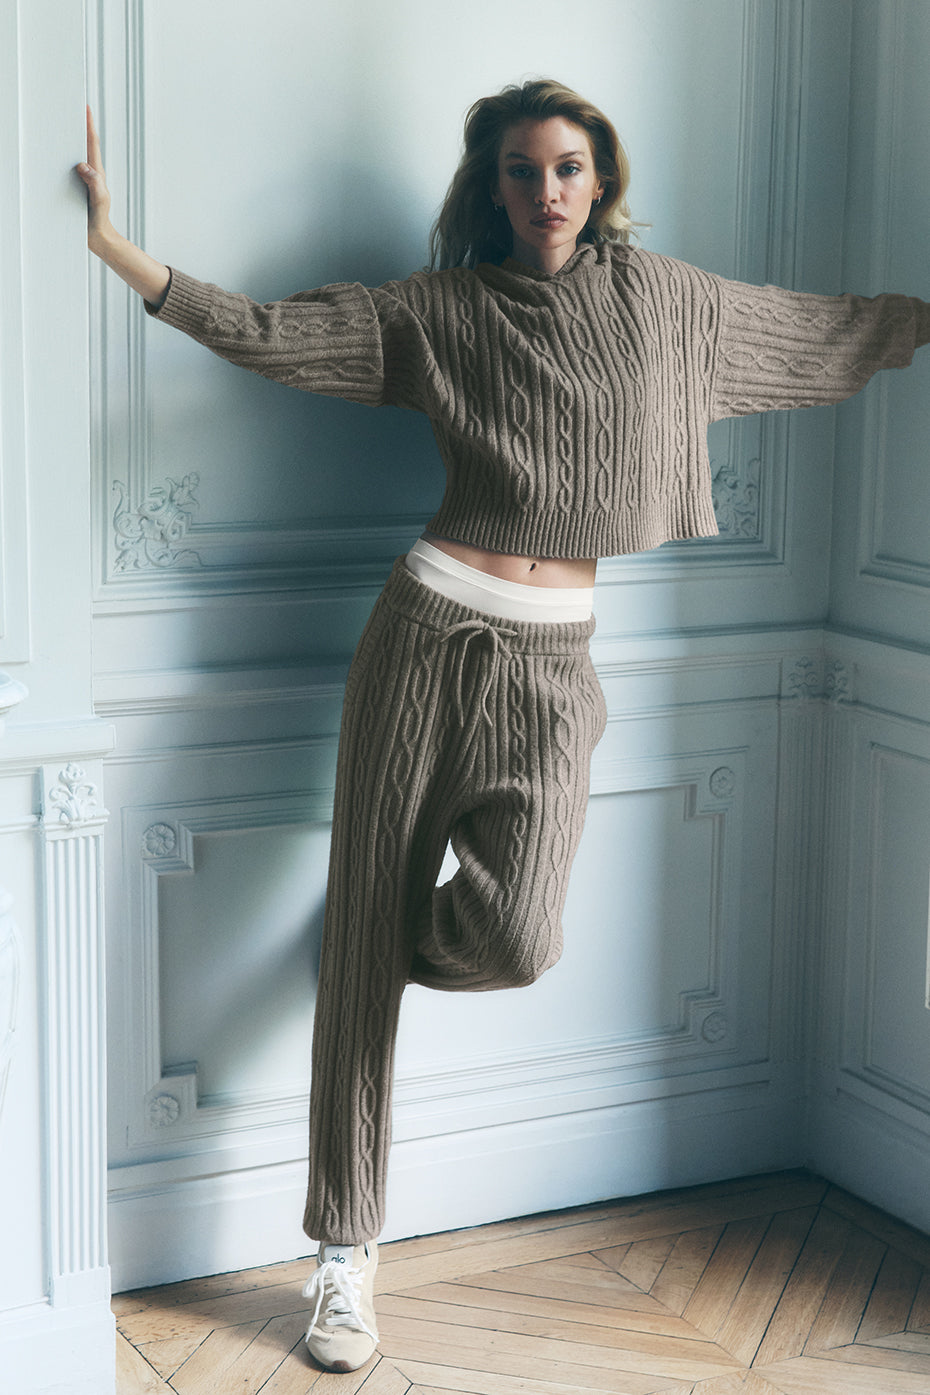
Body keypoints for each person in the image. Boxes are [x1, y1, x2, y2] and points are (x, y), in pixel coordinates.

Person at [78, 78, 930, 1374]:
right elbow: (269, 333)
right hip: (423, 635)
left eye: (568, 167)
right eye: (522, 170)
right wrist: (116, 249)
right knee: (362, 971)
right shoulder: (442, 311)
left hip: (555, 661)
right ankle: (344, 1257)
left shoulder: (671, 303)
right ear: (492, 188)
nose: (547, 191)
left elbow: (823, 333)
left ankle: (372, 932)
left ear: (602, 180)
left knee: (518, 937)